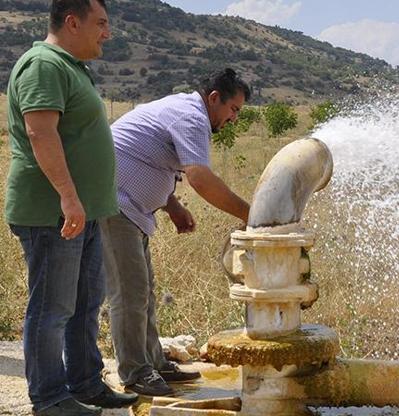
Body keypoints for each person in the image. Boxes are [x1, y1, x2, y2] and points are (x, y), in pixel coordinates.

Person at [4, 1, 139, 415]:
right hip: (54, 213)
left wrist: (84, 203)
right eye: (100, 24)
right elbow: (40, 133)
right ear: (71, 22)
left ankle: (85, 384)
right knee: (52, 308)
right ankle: (49, 399)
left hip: (84, 212)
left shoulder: (71, 67)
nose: (107, 33)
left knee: (84, 304)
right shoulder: (44, 64)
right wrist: (68, 196)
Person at [100, 68, 251, 396]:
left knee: (144, 292)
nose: (234, 118)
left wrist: (171, 205)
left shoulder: (186, 110)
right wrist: (252, 214)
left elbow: (148, 157)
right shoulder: (192, 117)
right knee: (130, 293)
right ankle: (136, 373)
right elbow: (199, 177)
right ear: (214, 98)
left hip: (130, 209)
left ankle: (154, 363)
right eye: (234, 109)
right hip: (113, 205)